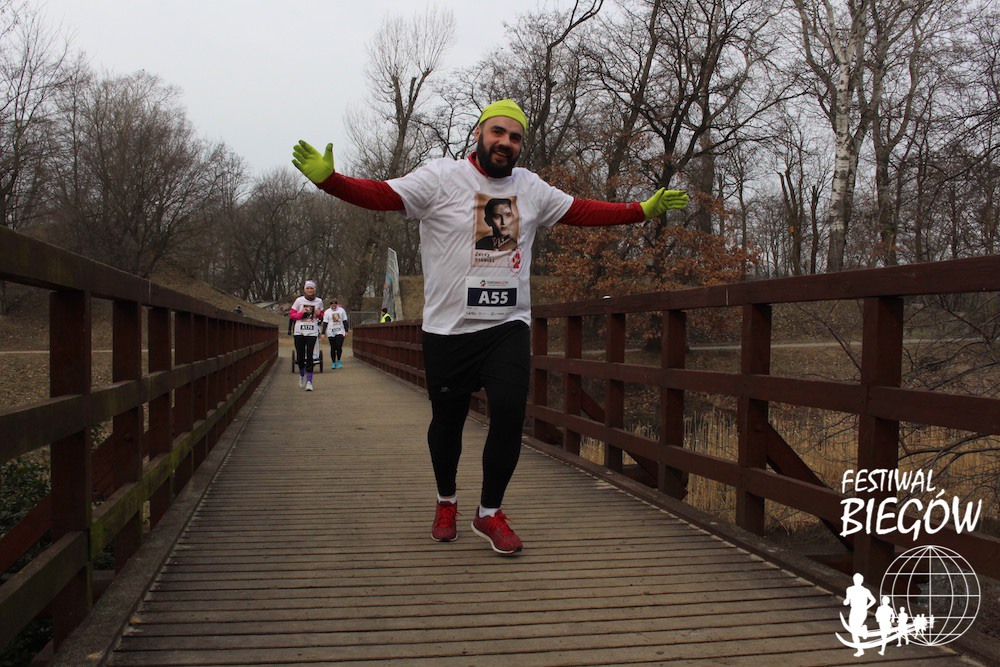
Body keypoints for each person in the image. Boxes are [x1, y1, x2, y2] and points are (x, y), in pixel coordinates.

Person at [292, 98, 687, 555]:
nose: (505, 142)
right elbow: (383, 195)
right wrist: (331, 181)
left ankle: (489, 511)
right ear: (478, 133)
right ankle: (446, 502)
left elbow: (581, 211)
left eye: (515, 137)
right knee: (447, 423)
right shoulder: (441, 178)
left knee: (509, 414)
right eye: (498, 132)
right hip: (448, 330)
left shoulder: (530, 188)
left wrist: (641, 209)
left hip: (506, 325)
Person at [289, 280, 324, 391]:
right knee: (300, 356)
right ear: (305, 290)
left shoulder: (319, 301)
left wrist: (319, 314)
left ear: (315, 290)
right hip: (299, 331)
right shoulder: (299, 300)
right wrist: (301, 313)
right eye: (307, 288)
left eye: (311, 288)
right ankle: (302, 374)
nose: (309, 290)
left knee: (310, 355)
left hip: (312, 331)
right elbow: (292, 315)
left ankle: (309, 381)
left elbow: (322, 315)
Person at [322, 300, 349, 369]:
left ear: (337, 305)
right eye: (332, 306)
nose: (333, 307)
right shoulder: (327, 312)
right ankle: (333, 362)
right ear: (330, 306)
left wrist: (346, 331)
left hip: (340, 330)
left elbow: (345, 321)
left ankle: (338, 360)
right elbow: (325, 323)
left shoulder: (341, 311)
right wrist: (323, 333)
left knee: (339, 346)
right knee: (333, 347)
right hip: (331, 331)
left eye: (335, 305)